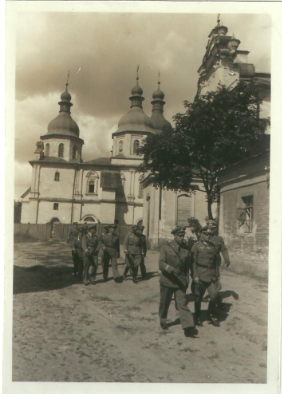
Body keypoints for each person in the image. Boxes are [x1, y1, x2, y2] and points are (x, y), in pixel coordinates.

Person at [158, 226, 197, 338]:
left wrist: (188, 279)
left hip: (180, 281)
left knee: (182, 303)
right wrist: (171, 270)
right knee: (164, 302)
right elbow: (161, 263)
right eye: (179, 235)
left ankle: (188, 327)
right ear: (174, 236)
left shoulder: (186, 249)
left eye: (182, 235)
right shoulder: (166, 247)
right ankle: (163, 319)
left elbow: (188, 266)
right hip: (167, 280)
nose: (181, 237)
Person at [192, 227, 221, 327]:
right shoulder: (196, 246)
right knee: (198, 297)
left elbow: (216, 263)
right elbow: (193, 263)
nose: (208, 236)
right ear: (201, 234)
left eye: (210, 234)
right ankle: (197, 317)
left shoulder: (213, 246)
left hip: (211, 275)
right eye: (206, 234)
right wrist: (195, 275)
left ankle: (210, 314)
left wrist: (217, 277)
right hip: (200, 274)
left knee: (214, 295)